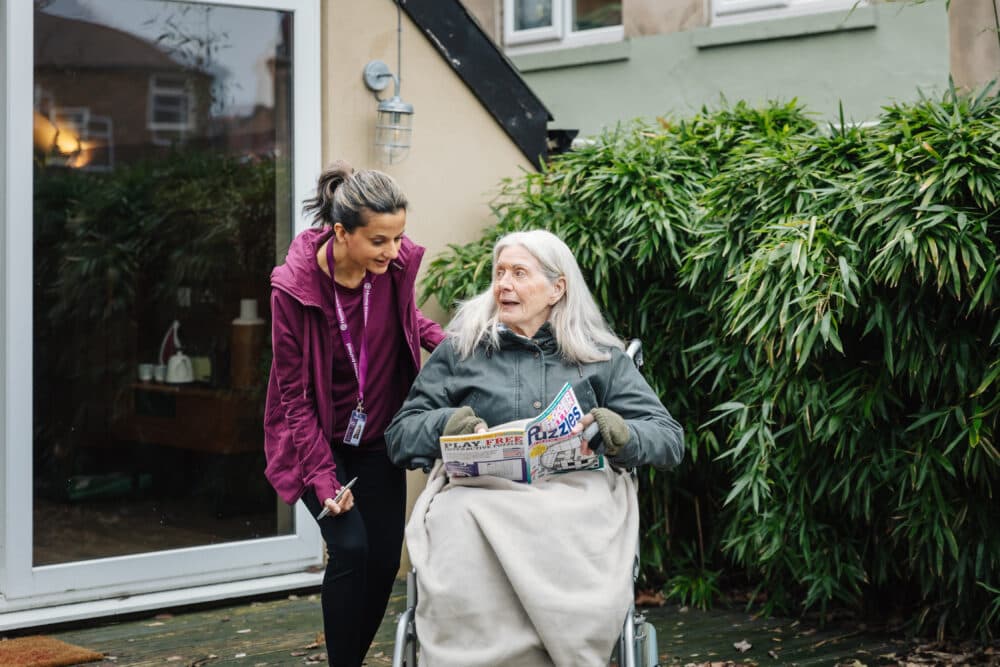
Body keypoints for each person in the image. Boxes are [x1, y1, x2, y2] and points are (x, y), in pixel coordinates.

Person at [385, 229, 684, 666]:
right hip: (479, 498)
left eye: (519, 273)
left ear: (556, 288)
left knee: (568, 523)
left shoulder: (600, 356)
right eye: (499, 273)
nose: (503, 284)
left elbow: (669, 437)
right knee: (456, 523)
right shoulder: (462, 351)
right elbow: (400, 435)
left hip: (574, 497)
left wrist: (620, 433)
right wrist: (447, 424)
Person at [263, 160, 445, 667]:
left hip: (378, 435)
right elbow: (293, 397)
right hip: (314, 440)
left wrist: (453, 344)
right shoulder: (293, 289)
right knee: (351, 548)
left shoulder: (392, 268)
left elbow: (408, 321)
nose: (394, 252)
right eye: (380, 241)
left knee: (386, 559)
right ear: (341, 232)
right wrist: (323, 481)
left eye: (398, 238)